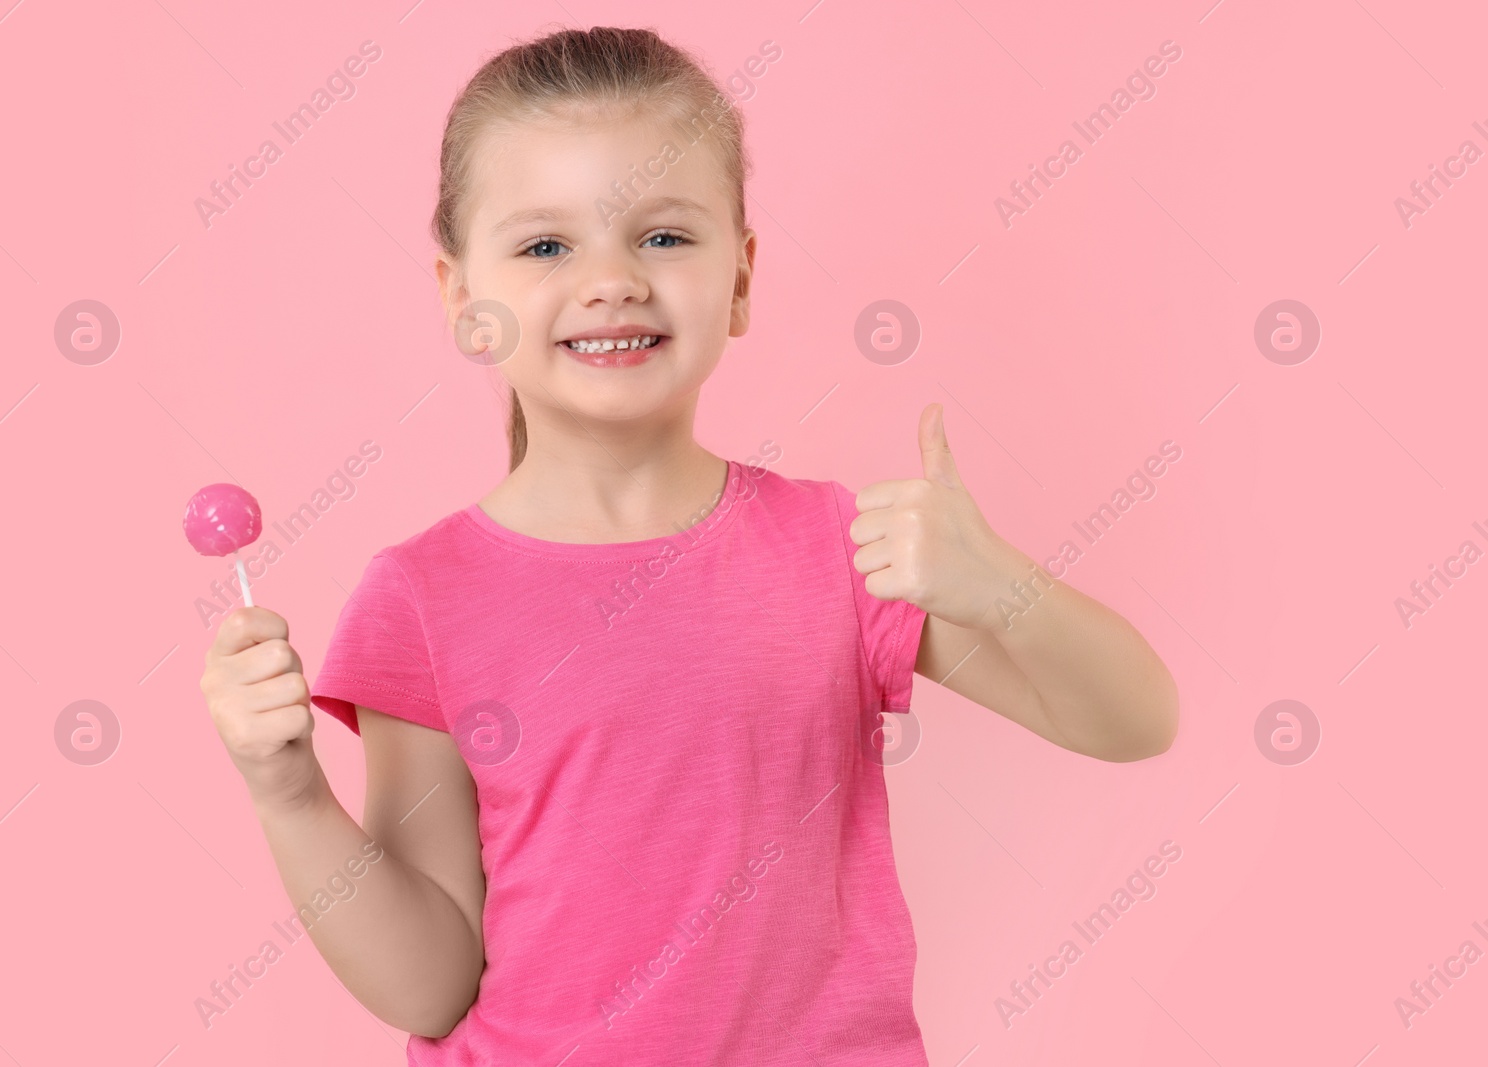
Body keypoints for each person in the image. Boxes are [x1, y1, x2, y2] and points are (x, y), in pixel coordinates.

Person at [198, 24, 1179, 1066]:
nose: (610, 278)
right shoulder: (421, 596)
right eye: (544, 246)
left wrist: (1000, 589)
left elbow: (1136, 719)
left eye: (663, 236)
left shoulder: (837, 549)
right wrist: (290, 791)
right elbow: (431, 981)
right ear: (460, 298)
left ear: (742, 276)